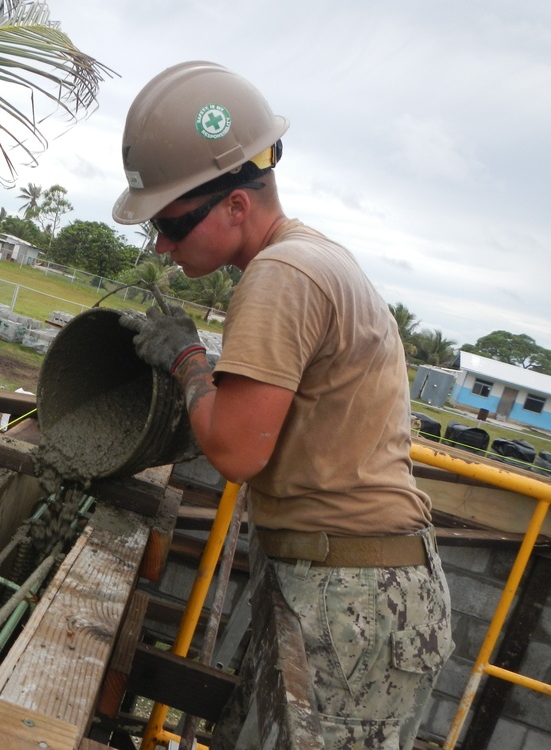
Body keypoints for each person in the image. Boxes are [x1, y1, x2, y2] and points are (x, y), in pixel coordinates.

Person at [113, 61, 453, 750]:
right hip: (346, 578)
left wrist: (187, 361)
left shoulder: (281, 276)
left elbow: (237, 450)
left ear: (237, 204)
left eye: (174, 223)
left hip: (353, 595)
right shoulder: (310, 259)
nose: (163, 244)